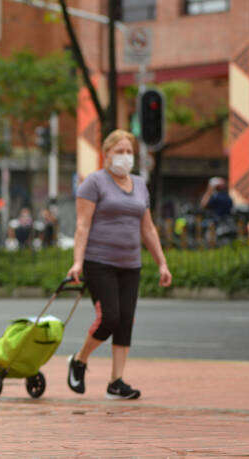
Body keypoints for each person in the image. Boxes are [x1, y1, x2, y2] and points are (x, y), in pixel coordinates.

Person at [66, 129, 172, 400]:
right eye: (119, 151)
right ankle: (79, 360)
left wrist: (162, 263)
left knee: (125, 322)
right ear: (106, 154)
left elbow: (147, 228)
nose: (125, 157)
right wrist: (77, 262)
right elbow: (82, 224)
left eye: (129, 152)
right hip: (99, 261)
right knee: (109, 317)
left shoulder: (139, 184)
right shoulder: (94, 183)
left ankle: (116, 381)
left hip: (130, 263)